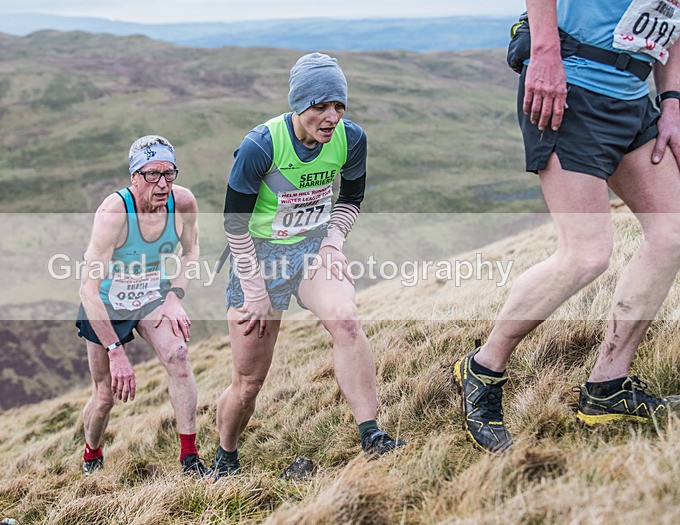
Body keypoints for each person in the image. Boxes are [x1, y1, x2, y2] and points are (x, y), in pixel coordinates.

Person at [455, 0, 680, 453]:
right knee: (586, 255)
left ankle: (607, 385)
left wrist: (672, 100)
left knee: (672, 234)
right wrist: (544, 53)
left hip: (633, 99)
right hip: (570, 88)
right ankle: (482, 368)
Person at [213, 52, 405, 476]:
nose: (331, 117)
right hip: (258, 257)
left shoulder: (351, 139)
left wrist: (333, 244)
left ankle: (372, 435)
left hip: (313, 248)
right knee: (248, 383)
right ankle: (225, 457)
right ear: (299, 104)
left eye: (339, 106)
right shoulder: (260, 146)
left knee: (346, 320)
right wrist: (255, 290)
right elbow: (234, 224)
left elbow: (350, 198)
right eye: (320, 106)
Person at [76, 135, 212, 477]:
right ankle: (92, 453)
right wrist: (115, 351)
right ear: (134, 177)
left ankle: (190, 458)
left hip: (152, 293)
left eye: (169, 173)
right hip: (107, 302)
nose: (162, 183)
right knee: (105, 396)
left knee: (179, 356)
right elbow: (88, 290)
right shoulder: (114, 212)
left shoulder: (183, 202)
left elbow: (192, 251)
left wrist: (174, 296)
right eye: (152, 174)